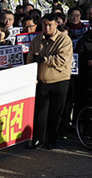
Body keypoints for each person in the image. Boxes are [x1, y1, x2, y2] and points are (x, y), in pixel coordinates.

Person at [27, 13, 74, 150]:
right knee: (41, 113)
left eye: (50, 25)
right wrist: (32, 76)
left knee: (56, 112)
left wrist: (45, 59)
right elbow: (30, 59)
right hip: (42, 81)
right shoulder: (36, 40)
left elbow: (63, 59)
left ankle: (52, 139)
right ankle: (38, 139)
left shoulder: (64, 39)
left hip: (60, 80)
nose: (47, 28)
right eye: (45, 25)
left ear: (56, 25)